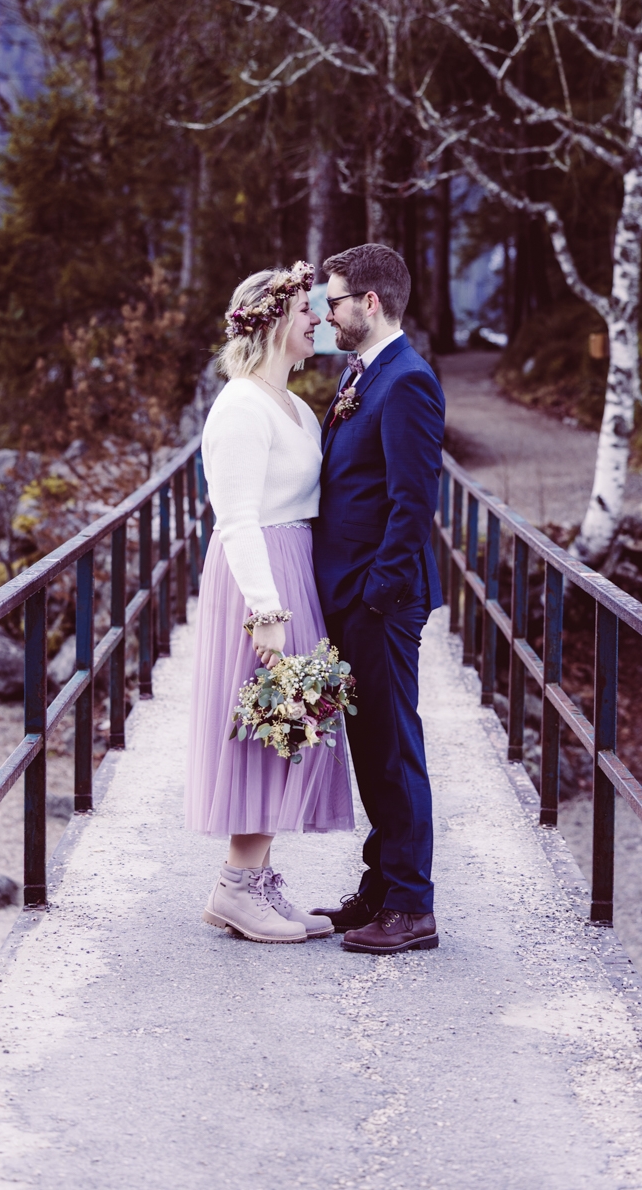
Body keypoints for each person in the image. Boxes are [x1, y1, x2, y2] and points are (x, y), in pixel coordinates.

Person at [186, 261, 354, 944]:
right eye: (306, 311)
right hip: (259, 577)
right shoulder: (241, 408)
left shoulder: (292, 404)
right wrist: (265, 609)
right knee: (268, 728)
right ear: (275, 322)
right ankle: (235, 886)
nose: (317, 319)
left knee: (291, 724)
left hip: (294, 567)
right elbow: (236, 519)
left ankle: (255, 881)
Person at [310, 243, 445, 954]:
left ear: (370, 303)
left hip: (380, 603)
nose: (323, 313)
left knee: (394, 750)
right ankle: (381, 887)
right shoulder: (366, 374)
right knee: (372, 749)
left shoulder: (407, 383)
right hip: (356, 596)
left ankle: (413, 905)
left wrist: (375, 595)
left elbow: (412, 503)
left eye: (331, 301)